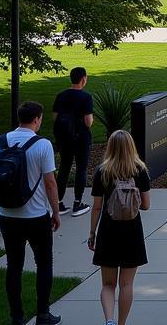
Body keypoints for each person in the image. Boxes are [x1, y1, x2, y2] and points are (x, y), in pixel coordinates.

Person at [0, 100, 61, 325]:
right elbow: (50, 183)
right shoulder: (42, 145)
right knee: (43, 264)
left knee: (13, 266)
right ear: (37, 119)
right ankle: (43, 314)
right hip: (36, 216)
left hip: (8, 216)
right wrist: (56, 211)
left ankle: (17, 317)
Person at [88, 129, 152, 325]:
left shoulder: (102, 171)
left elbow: (97, 207)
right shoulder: (140, 170)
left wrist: (92, 233)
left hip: (108, 230)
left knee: (108, 284)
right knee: (126, 284)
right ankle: (122, 323)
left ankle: (109, 320)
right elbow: (146, 205)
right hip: (132, 231)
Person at [53, 65, 94, 218]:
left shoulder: (61, 95)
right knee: (81, 169)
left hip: (64, 138)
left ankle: (58, 202)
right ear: (83, 79)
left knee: (64, 167)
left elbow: (55, 117)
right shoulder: (86, 97)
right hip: (81, 137)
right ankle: (78, 202)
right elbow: (88, 121)